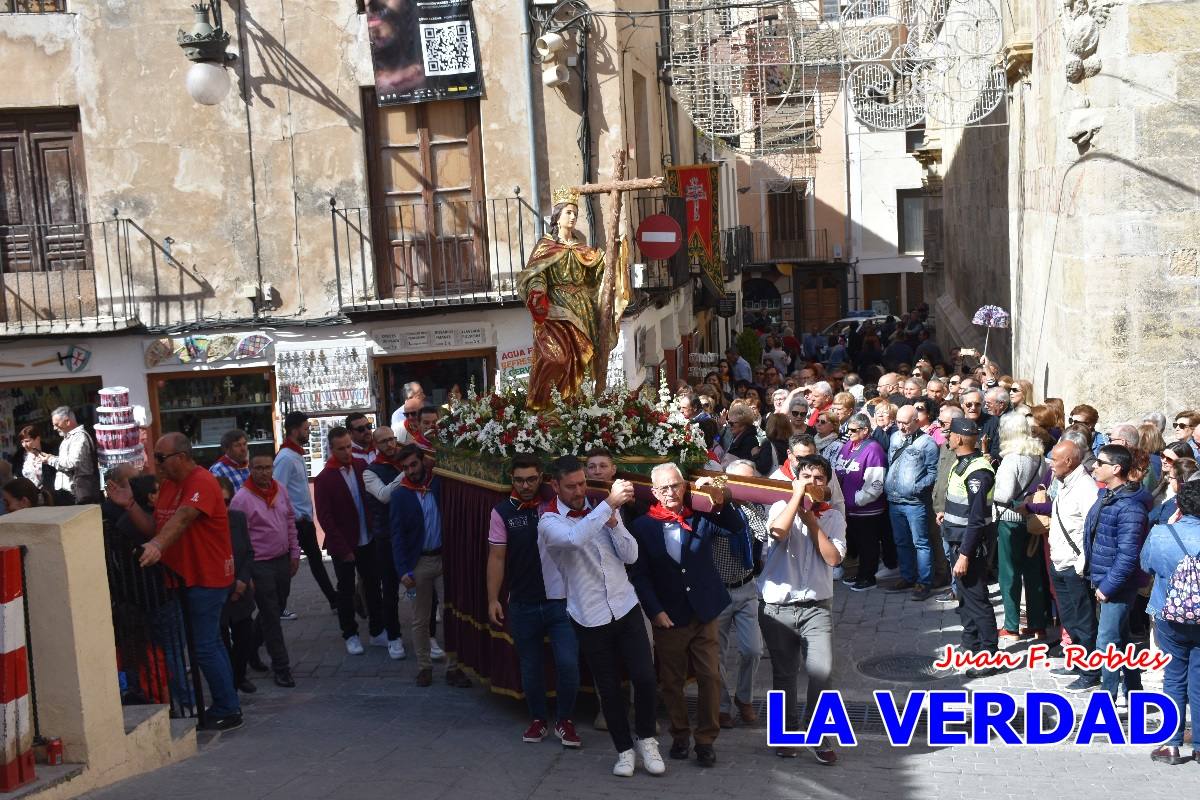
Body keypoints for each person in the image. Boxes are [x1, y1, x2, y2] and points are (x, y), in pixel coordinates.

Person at [538, 456, 664, 778]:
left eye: (582, 484)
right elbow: (573, 539)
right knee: (608, 688)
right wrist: (608, 506)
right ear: (555, 486)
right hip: (589, 614)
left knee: (645, 677)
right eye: (571, 486)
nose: (579, 491)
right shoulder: (549, 521)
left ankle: (647, 740)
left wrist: (615, 523)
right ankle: (623, 750)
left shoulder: (601, 511)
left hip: (625, 605)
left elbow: (631, 555)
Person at [108, 433, 241, 731]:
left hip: (205, 577)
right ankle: (226, 703)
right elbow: (157, 527)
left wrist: (156, 546)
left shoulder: (202, 481)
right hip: (184, 579)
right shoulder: (168, 484)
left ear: (181, 457)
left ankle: (228, 708)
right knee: (209, 644)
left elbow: (182, 519)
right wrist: (130, 506)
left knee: (205, 646)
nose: (156, 464)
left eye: (161, 457)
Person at [629, 465, 746, 768]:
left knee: (710, 676)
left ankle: (705, 740)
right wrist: (655, 610)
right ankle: (680, 734)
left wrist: (718, 496)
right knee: (672, 681)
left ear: (684, 487)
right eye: (664, 488)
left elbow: (735, 526)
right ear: (654, 492)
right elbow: (639, 575)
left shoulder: (701, 515)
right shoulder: (642, 526)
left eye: (675, 486)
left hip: (704, 610)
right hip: (669, 616)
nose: (671, 492)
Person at [486, 454, 580, 747]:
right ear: (511, 480)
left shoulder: (558, 504)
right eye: (519, 480)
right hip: (523, 602)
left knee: (568, 663)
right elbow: (497, 557)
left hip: (561, 601)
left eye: (531, 479)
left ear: (541, 478)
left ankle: (565, 720)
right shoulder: (501, 512)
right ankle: (538, 720)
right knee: (530, 666)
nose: (525, 486)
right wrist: (492, 599)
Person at [758, 455, 846, 765]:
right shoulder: (780, 507)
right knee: (784, 675)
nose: (812, 483)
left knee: (822, 673)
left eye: (818, 478)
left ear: (827, 483)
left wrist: (812, 523)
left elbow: (833, 558)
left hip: (816, 608)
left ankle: (819, 734)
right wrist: (797, 498)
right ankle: (786, 733)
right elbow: (778, 533)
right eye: (806, 477)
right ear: (796, 480)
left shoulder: (833, 517)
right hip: (778, 607)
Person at [517, 189, 627, 408]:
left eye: (575, 213)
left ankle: (573, 406)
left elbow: (601, 271)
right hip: (555, 310)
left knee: (578, 360)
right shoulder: (546, 247)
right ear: (557, 217)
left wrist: (616, 249)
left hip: (581, 311)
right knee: (555, 358)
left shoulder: (582, 249)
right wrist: (537, 291)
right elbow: (536, 274)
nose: (573, 217)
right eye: (568, 212)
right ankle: (545, 406)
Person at [390, 444, 471, 688]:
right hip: (419, 564)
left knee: (451, 615)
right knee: (420, 619)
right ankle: (424, 667)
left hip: (444, 559)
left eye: (413, 465)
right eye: (405, 468)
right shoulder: (400, 495)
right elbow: (396, 536)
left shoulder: (439, 484)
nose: (410, 471)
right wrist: (403, 571)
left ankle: (453, 668)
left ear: (423, 461)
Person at [1025, 440, 1100, 692]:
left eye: (1054, 461)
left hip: (1075, 566)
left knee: (1084, 620)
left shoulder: (1085, 488)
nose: (1051, 465)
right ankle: (1077, 661)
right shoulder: (1066, 483)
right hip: (1060, 562)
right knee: (1069, 618)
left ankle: (1091, 672)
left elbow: (1092, 529)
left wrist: (1082, 564)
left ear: (1068, 461)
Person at [1139, 479, 1200, 766]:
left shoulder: (1161, 533)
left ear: (1178, 505)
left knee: (1174, 678)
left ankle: (1172, 745)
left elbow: (1146, 565)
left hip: (1169, 613)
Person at [1085, 444, 1151, 702]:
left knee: (1107, 643)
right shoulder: (1108, 496)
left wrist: (1107, 587)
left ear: (1116, 469)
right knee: (1120, 639)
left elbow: (1128, 555)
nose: (1094, 466)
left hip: (1117, 584)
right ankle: (1135, 692)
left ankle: (1107, 701)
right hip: (1104, 578)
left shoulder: (1130, 507)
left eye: (1100, 462)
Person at [230, 454, 300, 689]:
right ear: (250, 469)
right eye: (258, 468)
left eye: (267, 467)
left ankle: (251, 648)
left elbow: (290, 520)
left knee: (277, 607)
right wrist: (245, 573)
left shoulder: (280, 489)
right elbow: (238, 540)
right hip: (259, 564)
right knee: (271, 615)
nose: (264, 472)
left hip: (281, 559)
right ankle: (282, 668)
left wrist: (294, 552)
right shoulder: (241, 499)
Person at [314, 426, 382, 656]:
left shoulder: (361, 466)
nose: (346, 452)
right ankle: (350, 634)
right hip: (343, 544)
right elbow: (326, 518)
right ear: (331, 449)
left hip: (367, 538)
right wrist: (343, 548)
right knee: (346, 591)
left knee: (373, 586)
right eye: (341, 449)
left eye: (348, 447)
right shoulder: (324, 478)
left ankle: (377, 631)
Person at [938, 418, 999, 674]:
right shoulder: (962, 462)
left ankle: (989, 655)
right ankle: (970, 643)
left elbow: (976, 519)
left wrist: (964, 554)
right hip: (957, 538)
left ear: (959, 438)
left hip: (969, 544)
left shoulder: (978, 472)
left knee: (977, 599)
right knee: (965, 596)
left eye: (950, 434)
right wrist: (946, 513)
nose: (947, 438)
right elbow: (962, 503)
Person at [992, 412, 1051, 640]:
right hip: (1032, 519)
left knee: (1009, 574)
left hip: (1010, 519)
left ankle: (1011, 626)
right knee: (1033, 572)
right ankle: (1037, 625)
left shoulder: (1012, 459)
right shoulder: (1039, 456)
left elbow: (1004, 495)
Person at [716, 460, 765, 730]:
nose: (745, 487)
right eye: (740, 482)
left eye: (750, 481)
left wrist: (747, 503)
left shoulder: (752, 507)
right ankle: (722, 706)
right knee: (716, 654)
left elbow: (764, 533)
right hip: (719, 589)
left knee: (753, 649)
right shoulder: (714, 507)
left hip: (746, 586)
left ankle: (744, 698)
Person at [274, 412, 337, 611]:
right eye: (306, 428)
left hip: (304, 520)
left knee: (316, 562)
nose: (308, 432)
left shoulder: (295, 454)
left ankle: (333, 600)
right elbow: (277, 490)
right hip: (295, 522)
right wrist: (290, 516)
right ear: (295, 430)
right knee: (289, 566)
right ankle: (275, 608)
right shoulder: (285, 458)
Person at [885, 404, 941, 600]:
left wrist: (916, 487)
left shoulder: (927, 443)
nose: (901, 426)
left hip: (915, 502)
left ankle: (924, 583)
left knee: (921, 543)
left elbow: (933, 472)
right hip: (894, 500)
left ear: (916, 421)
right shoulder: (894, 437)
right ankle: (907, 576)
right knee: (901, 541)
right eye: (898, 422)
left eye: (905, 423)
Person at [362, 427, 408, 661]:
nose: (391, 444)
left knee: (422, 586)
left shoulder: (403, 462)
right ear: (376, 445)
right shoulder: (370, 472)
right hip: (386, 537)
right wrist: (406, 471)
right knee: (389, 590)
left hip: (409, 535)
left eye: (392, 439)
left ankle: (428, 636)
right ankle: (393, 637)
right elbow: (384, 495)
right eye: (384, 441)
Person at [834, 414, 889, 592]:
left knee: (868, 544)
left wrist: (856, 500)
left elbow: (875, 485)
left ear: (865, 430)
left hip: (866, 509)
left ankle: (868, 577)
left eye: (853, 430)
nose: (848, 433)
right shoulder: (848, 446)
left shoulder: (873, 450)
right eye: (847, 430)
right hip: (848, 508)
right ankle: (860, 573)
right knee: (857, 543)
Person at [215, 476, 257, 695]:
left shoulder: (238, 519)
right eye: (218, 502)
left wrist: (243, 580)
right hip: (219, 592)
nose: (222, 507)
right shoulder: (203, 525)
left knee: (244, 639)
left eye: (226, 501)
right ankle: (227, 683)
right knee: (221, 642)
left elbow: (249, 552)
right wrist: (231, 587)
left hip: (241, 588)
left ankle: (240, 676)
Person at [40, 406, 100, 504]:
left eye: (56, 424)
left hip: (77, 495)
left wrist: (50, 460)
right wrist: (51, 458)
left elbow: (72, 463)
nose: (54, 428)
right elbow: (67, 460)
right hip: (69, 494)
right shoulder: (69, 438)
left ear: (67, 422)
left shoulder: (79, 437)